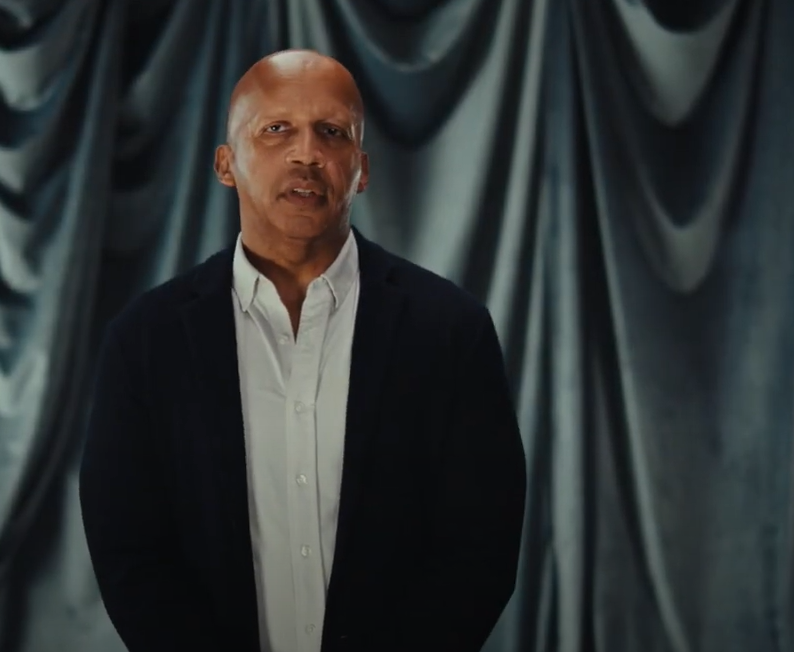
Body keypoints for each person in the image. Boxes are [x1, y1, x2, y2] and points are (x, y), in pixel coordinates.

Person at [80, 49, 527, 652]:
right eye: (276, 130)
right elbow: (129, 551)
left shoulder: (451, 331)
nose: (307, 154)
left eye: (332, 133)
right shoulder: (144, 341)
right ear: (225, 164)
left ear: (361, 168)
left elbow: (480, 548)